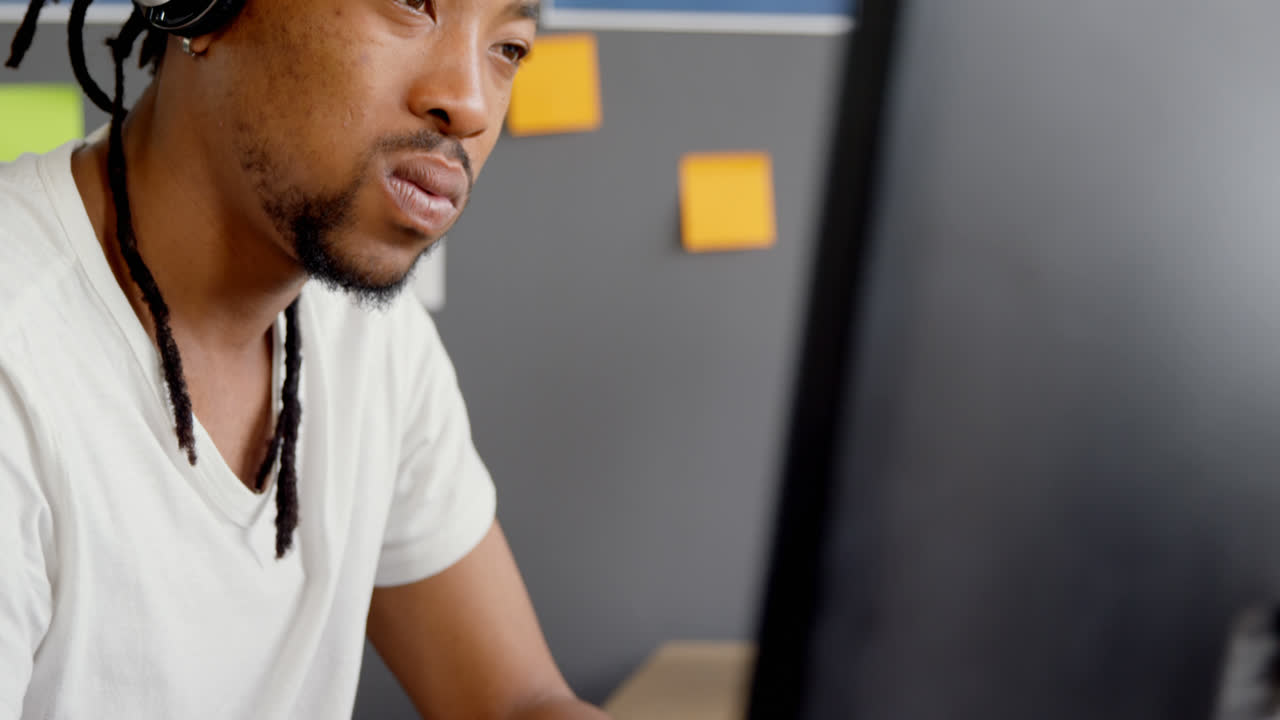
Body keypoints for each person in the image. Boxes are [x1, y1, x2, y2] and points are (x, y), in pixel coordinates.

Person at [0, 0, 609, 717]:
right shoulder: (20, 347)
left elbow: (517, 701)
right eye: (413, 5)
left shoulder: (369, 335)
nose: (470, 103)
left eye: (509, 48)